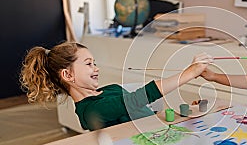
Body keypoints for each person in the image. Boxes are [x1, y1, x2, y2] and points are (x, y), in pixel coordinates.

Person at [20, 42, 212, 130]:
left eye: (94, 63)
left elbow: (143, 115)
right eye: (88, 64)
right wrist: (190, 73)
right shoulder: (91, 111)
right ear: (67, 74)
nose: (96, 68)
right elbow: (139, 98)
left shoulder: (112, 89)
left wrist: (182, 112)